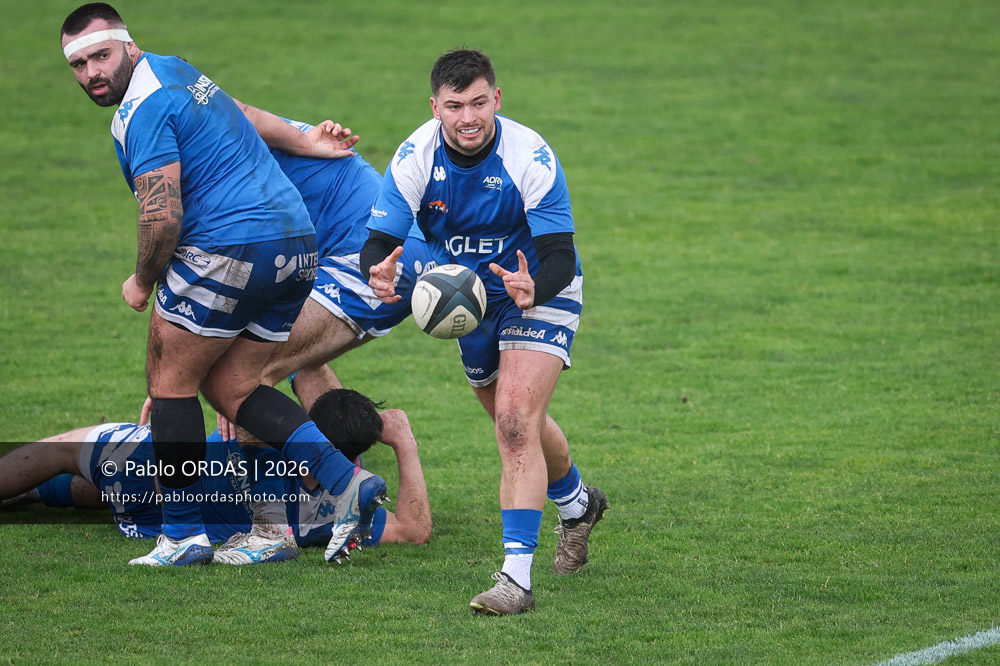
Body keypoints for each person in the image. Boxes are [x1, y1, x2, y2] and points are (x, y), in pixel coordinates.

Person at [59, 3, 385, 566]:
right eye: (80, 64)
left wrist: (142, 281)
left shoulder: (142, 108)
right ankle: (346, 483)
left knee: (170, 380)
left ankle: (183, 535)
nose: (92, 72)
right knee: (234, 384)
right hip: (297, 245)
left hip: (227, 247)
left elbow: (162, 215)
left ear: (127, 46)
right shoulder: (176, 69)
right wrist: (306, 140)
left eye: (101, 56)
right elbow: (244, 111)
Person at [361, 49, 608, 615]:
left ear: (496, 98)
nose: (467, 117)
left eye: (478, 102)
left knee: (515, 421)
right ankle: (577, 507)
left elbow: (560, 257)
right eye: (454, 106)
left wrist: (533, 290)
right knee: (520, 420)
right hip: (469, 305)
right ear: (435, 107)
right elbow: (379, 242)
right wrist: (375, 269)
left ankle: (514, 581)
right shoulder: (413, 157)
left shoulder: (531, 156)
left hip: (535, 288)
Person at [0, 390, 431, 562]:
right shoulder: (335, 514)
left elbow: (228, 386)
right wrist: (405, 444)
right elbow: (414, 530)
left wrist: (168, 394)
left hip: (147, 471)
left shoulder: (271, 433)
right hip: (154, 524)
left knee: (54, 451)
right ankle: (32, 495)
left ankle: (28, 487)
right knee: (100, 487)